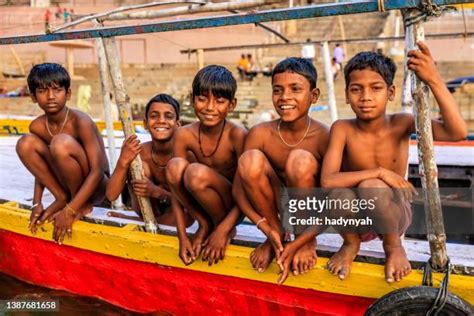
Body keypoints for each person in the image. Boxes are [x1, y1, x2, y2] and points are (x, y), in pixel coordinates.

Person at [319, 42, 467, 283]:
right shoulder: (342, 128)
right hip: (356, 218)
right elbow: (327, 180)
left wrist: (434, 79)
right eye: (356, 89)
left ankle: (393, 247)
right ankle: (350, 243)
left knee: (371, 187)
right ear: (347, 95)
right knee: (339, 193)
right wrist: (380, 172)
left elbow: (457, 132)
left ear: (390, 92)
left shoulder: (402, 123)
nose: (365, 97)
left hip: (393, 214)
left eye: (375, 88)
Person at [234, 57, 329, 281]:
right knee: (250, 160)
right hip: (275, 213)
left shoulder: (325, 136)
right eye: (278, 90)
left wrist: (304, 239)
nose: (285, 97)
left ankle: (304, 238)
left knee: (300, 160)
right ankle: (277, 236)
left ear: (313, 96)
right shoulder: (260, 133)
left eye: (295, 89)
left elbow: (334, 198)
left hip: (310, 215)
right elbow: (239, 190)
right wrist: (268, 230)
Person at [16, 63, 110, 244]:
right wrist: (37, 203)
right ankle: (61, 197)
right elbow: (40, 168)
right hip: (69, 187)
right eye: (42, 91)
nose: (51, 97)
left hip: (98, 188)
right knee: (25, 143)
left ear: (67, 94)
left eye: (57, 90)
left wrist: (70, 210)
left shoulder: (80, 121)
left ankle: (78, 203)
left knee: (60, 143)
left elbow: (97, 171)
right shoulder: (37, 125)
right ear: (33, 97)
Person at [166, 65, 247, 266]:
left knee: (195, 173)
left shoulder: (238, 135)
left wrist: (223, 230)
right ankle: (204, 224)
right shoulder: (184, 134)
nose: (210, 107)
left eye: (219, 101)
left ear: (232, 105)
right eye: (202, 99)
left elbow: (246, 190)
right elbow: (175, 191)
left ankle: (219, 226)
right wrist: (182, 237)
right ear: (192, 100)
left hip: (234, 206)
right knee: (175, 166)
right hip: (202, 209)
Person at [106, 94, 192, 226]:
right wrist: (123, 161)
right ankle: (147, 220)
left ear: (178, 124)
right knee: (140, 166)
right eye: (154, 116)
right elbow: (111, 195)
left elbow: (191, 205)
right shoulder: (138, 152)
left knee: (185, 216)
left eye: (168, 116)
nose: (161, 121)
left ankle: (140, 222)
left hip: (177, 214)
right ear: (145, 124)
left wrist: (158, 192)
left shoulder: (187, 154)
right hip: (146, 210)